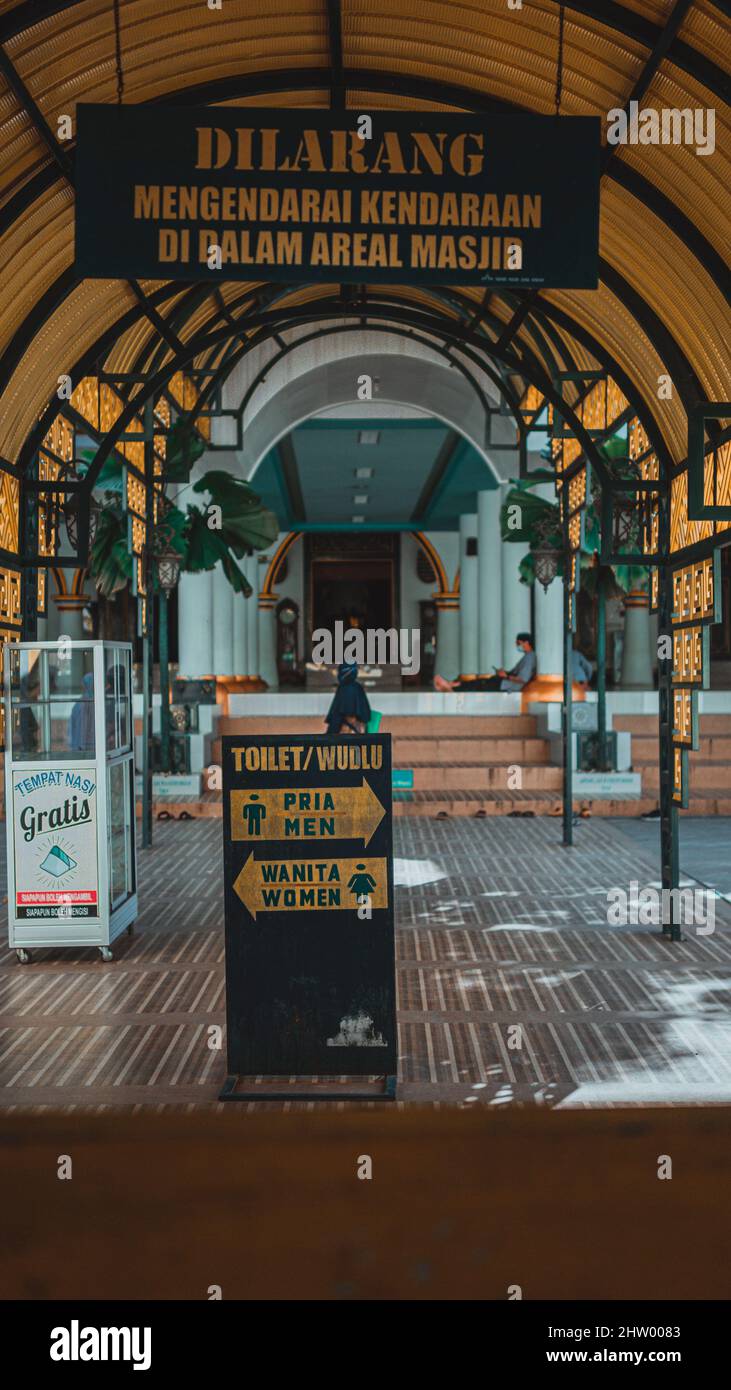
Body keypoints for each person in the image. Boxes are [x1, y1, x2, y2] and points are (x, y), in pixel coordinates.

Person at [434, 632, 537, 693]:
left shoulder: (530, 658)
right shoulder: (527, 656)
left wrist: (506, 676)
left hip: (507, 685)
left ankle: (451, 686)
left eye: (519, 643)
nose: (517, 645)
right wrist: (504, 673)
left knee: (478, 684)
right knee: (479, 682)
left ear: (526, 642)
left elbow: (523, 679)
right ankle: (451, 684)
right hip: (504, 682)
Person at [324, 661, 371, 736]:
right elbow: (365, 715)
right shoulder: (358, 687)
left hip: (347, 737)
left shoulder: (344, 688)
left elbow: (339, 716)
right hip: (360, 736)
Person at [68, 671, 95, 753]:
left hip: (79, 747)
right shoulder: (94, 703)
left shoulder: (79, 704)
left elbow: (72, 729)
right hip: (91, 748)